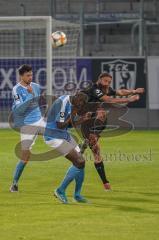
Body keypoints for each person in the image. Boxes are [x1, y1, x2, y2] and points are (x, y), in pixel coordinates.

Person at [79, 72, 144, 190]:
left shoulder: (105, 89)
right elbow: (108, 99)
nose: (107, 84)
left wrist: (134, 90)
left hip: (92, 120)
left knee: (96, 149)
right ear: (99, 80)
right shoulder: (94, 89)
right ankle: (87, 141)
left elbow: (119, 92)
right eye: (105, 81)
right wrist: (130, 99)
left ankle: (105, 182)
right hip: (83, 120)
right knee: (95, 150)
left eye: (109, 82)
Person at [44, 92, 92, 204]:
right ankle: (60, 190)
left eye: (82, 104)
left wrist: (83, 119)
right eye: (80, 103)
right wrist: (72, 118)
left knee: (81, 161)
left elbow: (69, 124)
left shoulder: (73, 104)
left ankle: (77, 195)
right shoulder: (63, 102)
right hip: (53, 136)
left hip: (63, 135)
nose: (80, 106)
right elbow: (60, 125)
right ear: (76, 97)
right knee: (79, 161)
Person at [10, 64, 46, 192]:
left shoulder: (35, 86)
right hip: (27, 125)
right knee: (25, 157)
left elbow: (37, 102)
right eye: (28, 75)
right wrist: (31, 95)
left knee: (56, 133)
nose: (30, 77)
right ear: (21, 76)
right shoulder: (16, 89)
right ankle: (14, 183)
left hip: (39, 120)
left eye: (31, 74)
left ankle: (77, 149)